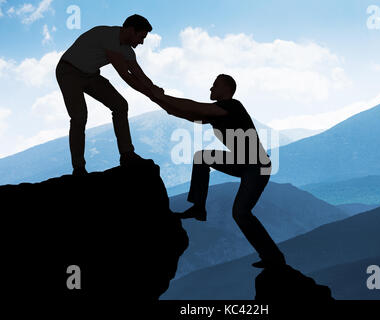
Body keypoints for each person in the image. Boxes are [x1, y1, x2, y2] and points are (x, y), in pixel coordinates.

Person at [150, 74, 286, 269]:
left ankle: (274, 258)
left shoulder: (233, 106)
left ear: (226, 89)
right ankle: (198, 207)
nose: (210, 89)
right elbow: (184, 113)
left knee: (240, 212)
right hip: (242, 163)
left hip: (257, 166)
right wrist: (157, 98)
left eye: (214, 86)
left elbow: (194, 106)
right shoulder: (216, 112)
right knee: (202, 157)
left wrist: (161, 96)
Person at [56, 14, 162, 176]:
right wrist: (151, 94)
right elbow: (126, 76)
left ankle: (127, 154)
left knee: (120, 105)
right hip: (68, 71)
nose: (141, 42)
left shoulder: (127, 50)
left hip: (90, 75)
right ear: (130, 30)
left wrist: (155, 90)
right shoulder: (109, 36)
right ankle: (78, 168)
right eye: (141, 37)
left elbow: (139, 74)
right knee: (79, 117)